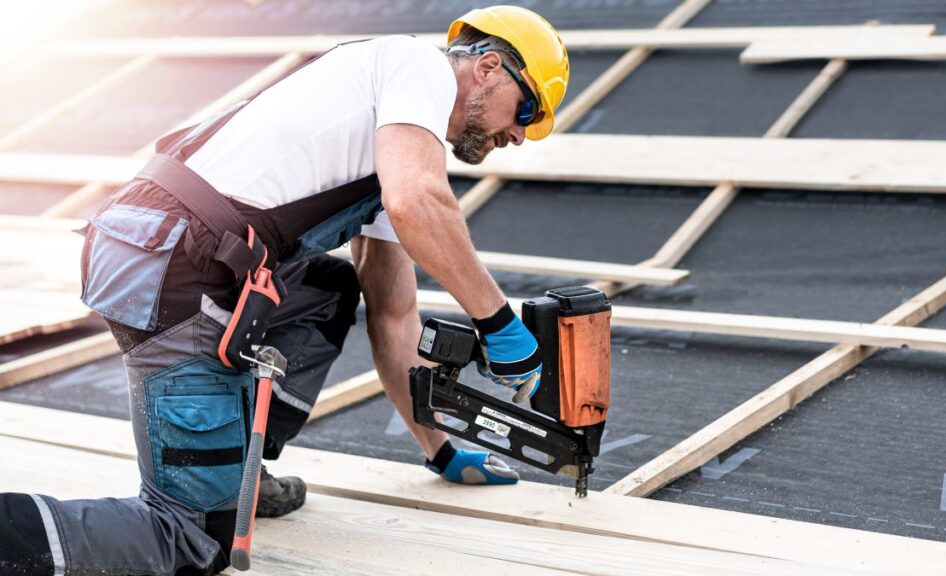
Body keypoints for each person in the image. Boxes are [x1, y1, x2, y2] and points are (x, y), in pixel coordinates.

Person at [0, 5, 570, 575]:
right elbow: (418, 200)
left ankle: (242, 466)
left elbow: (394, 318)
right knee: (190, 539)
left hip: (180, 253)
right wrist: (499, 323)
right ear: (489, 66)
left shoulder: (395, 141)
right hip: (173, 266)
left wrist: (440, 449)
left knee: (328, 287)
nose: (519, 136)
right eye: (527, 111)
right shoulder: (419, 67)